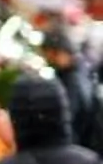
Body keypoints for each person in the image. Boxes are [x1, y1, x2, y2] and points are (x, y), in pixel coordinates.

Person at [41, 21, 101, 154]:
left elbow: (69, 120)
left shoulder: (72, 81)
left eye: (48, 52)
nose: (47, 57)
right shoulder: (80, 71)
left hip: (80, 149)